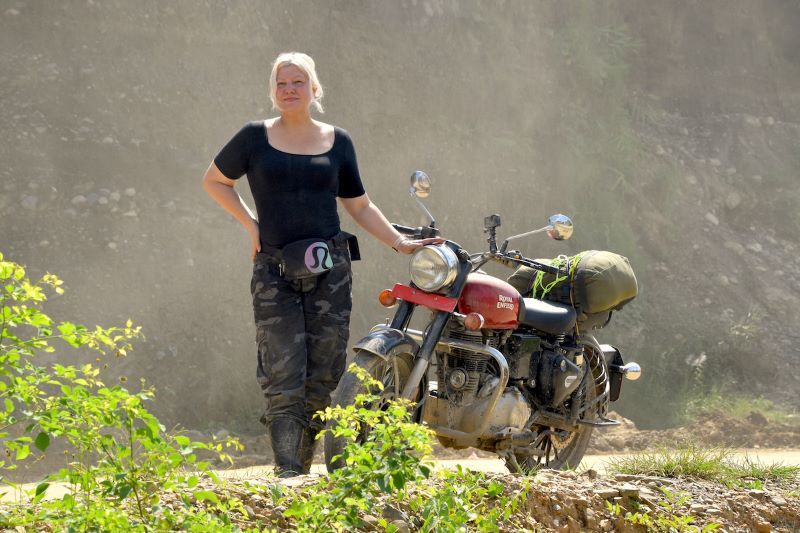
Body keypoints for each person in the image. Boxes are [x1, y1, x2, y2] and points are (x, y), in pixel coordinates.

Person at [202, 51, 439, 477]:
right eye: (281, 83)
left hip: (330, 270)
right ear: (273, 91)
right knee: (281, 369)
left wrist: (400, 242)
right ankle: (288, 471)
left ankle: (305, 467)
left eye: (298, 82)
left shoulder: (338, 140)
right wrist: (251, 225)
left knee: (325, 370)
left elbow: (359, 205)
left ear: (314, 89)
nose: (289, 90)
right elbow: (215, 181)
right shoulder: (254, 137)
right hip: (274, 270)